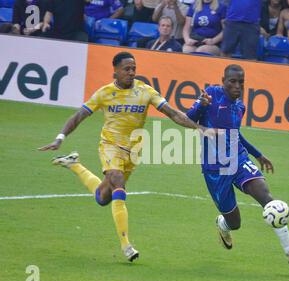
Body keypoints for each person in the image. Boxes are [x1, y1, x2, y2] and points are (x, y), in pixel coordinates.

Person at [38, 52, 212, 262]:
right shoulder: (104, 93)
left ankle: (74, 165)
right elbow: (79, 116)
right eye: (126, 69)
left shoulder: (145, 91)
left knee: (104, 197)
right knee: (118, 182)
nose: (131, 72)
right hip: (110, 145)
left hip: (134, 150)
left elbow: (174, 114)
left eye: (133, 68)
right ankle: (126, 245)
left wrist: (199, 128)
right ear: (116, 71)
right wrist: (60, 137)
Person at [186, 64, 289, 267]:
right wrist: (200, 104)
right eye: (232, 81)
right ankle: (222, 224)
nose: (237, 86)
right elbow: (188, 118)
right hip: (215, 168)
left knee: (267, 198)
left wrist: (258, 154)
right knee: (235, 223)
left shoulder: (240, 105)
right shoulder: (210, 95)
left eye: (241, 82)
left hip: (238, 160)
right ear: (223, 80)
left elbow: (235, 134)